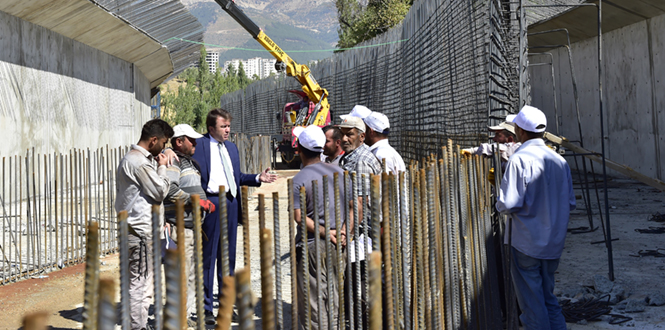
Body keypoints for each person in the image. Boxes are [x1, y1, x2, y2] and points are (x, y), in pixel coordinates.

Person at [191, 108, 278, 324]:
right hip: (210, 202)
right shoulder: (199, 145)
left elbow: (236, 176)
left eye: (229, 126)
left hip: (230, 202)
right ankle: (206, 308)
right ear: (211, 128)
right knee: (208, 257)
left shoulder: (231, 147)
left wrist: (258, 177)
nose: (228, 130)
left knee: (227, 257)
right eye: (223, 126)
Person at [496, 105, 576, 330]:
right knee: (548, 298)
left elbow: (508, 203)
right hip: (553, 244)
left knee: (532, 306)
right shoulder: (559, 161)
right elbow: (570, 202)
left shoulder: (519, 160)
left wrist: (497, 201)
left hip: (526, 244)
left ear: (519, 130)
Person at [115, 119, 173, 330]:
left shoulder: (134, 159)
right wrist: (162, 168)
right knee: (140, 286)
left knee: (139, 283)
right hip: (140, 233)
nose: (164, 148)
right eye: (164, 143)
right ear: (154, 140)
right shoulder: (138, 162)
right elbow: (159, 191)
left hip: (136, 230)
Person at [292, 125, 347, 330]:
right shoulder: (340, 172)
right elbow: (354, 207)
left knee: (312, 303)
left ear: (299, 149)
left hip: (312, 246)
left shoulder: (299, 179)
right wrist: (343, 232)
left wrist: (326, 232)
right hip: (337, 244)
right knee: (334, 297)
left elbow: (299, 217)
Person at [163, 124, 216, 326]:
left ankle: (183, 318)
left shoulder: (187, 162)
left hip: (192, 228)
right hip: (181, 228)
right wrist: (196, 201)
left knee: (191, 276)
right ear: (179, 142)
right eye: (190, 140)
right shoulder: (173, 162)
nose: (195, 143)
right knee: (181, 276)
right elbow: (169, 190)